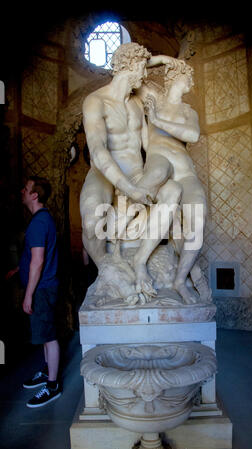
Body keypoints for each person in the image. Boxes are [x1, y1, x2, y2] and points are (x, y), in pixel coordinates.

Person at [80, 43, 182, 299]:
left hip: (137, 173)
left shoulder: (137, 104)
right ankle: (106, 265)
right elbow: (98, 151)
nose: (145, 75)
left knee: (174, 190)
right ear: (130, 66)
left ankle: (140, 259)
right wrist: (130, 190)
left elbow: (150, 147)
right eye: (142, 68)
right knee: (91, 216)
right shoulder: (95, 101)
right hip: (104, 175)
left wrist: (164, 58)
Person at [134, 56, 207, 303]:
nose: (191, 82)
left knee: (198, 218)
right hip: (159, 158)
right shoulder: (153, 98)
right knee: (157, 174)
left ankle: (180, 280)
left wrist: (157, 121)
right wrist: (165, 60)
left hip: (185, 168)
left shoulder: (188, 111)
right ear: (175, 76)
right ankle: (136, 249)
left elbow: (193, 135)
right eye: (188, 76)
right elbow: (135, 68)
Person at [6, 176, 61, 407]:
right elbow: (36, 257)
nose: (22, 191)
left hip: (41, 288)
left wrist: (28, 294)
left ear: (34, 195)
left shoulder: (39, 222)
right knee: (44, 334)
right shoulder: (41, 219)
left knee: (49, 337)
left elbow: (38, 261)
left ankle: (53, 385)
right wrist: (20, 268)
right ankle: (47, 371)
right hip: (42, 285)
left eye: (26, 188)